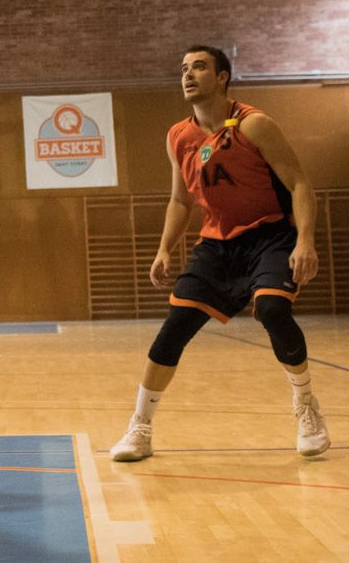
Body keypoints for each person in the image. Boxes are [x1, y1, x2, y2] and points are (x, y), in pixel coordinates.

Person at [110, 46, 328, 462]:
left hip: (270, 236)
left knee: (272, 310)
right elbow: (180, 200)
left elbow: (299, 183)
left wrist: (305, 241)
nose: (188, 75)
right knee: (175, 326)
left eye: (199, 67)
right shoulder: (179, 136)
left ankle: (306, 407)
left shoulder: (254, 125)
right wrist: (163, 249)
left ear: (223, 76)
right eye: (184, 69)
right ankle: (140, 428)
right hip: (216, 244)